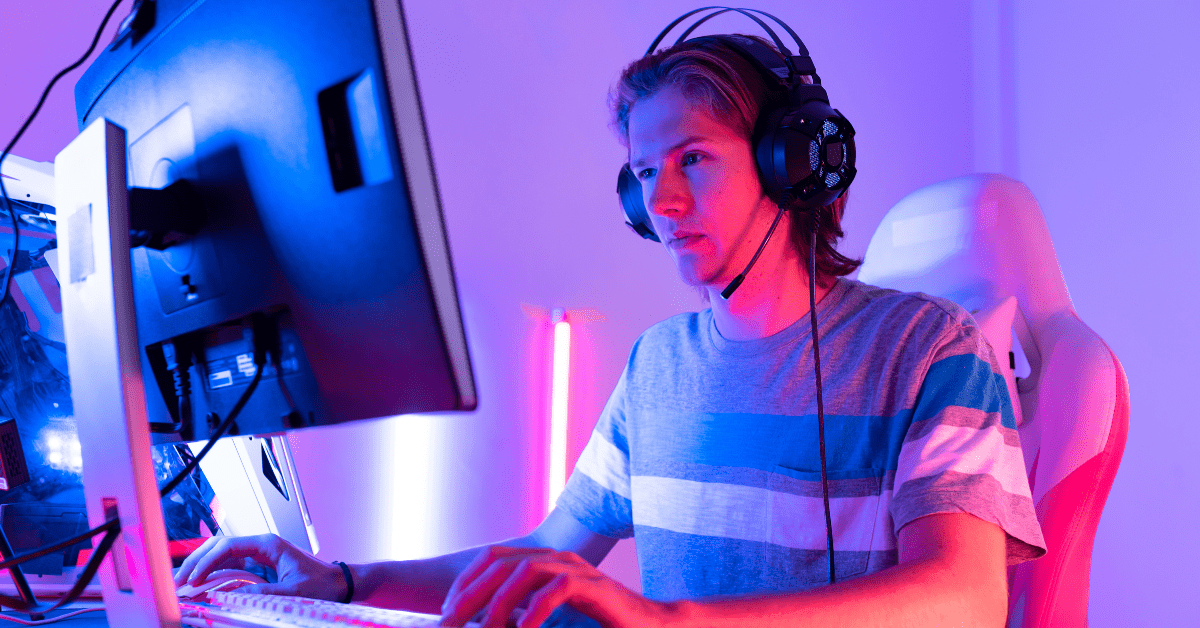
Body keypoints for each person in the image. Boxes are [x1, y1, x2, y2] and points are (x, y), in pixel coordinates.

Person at [175, 32, 1046, 628]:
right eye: (641, 174)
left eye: (693, 159)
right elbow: (547, 552)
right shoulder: (657, 364)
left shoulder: (931, 350)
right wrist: (346, 582)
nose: (661, 204)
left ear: (796, 161)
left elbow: (965, 597)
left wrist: (662, 620)